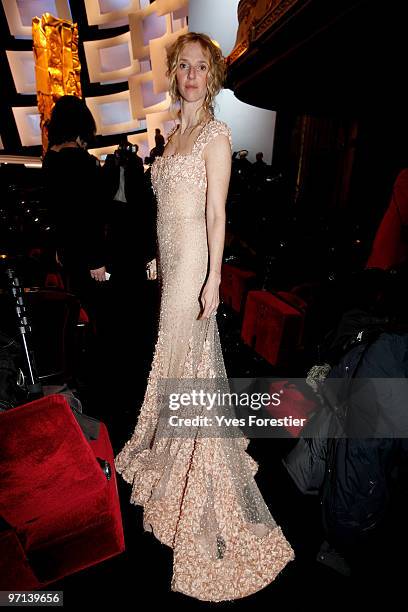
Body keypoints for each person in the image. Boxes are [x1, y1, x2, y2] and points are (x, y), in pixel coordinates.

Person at [114, 32, 294, 601]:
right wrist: (158, 258)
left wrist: (212, 278)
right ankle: (171, 449)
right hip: (173, 265)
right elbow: (170, 208)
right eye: (184, 67)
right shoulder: (172, 136)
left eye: (201, 67)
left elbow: (216, 214)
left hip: (197, 268)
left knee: (190, 365)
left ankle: (196, 459)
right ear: (175, 75)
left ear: (212, 77)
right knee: (170, 360)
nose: (191, 75)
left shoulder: (215, 134)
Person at [42, 95, 108, 322]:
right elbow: (91, 215)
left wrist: (60, 248)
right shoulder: (82, 162)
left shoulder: (50, 158)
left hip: (67, 251)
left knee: (76, 313)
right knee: (96, 315)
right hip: (88, 253)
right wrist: (96, 259)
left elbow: (57, 210)